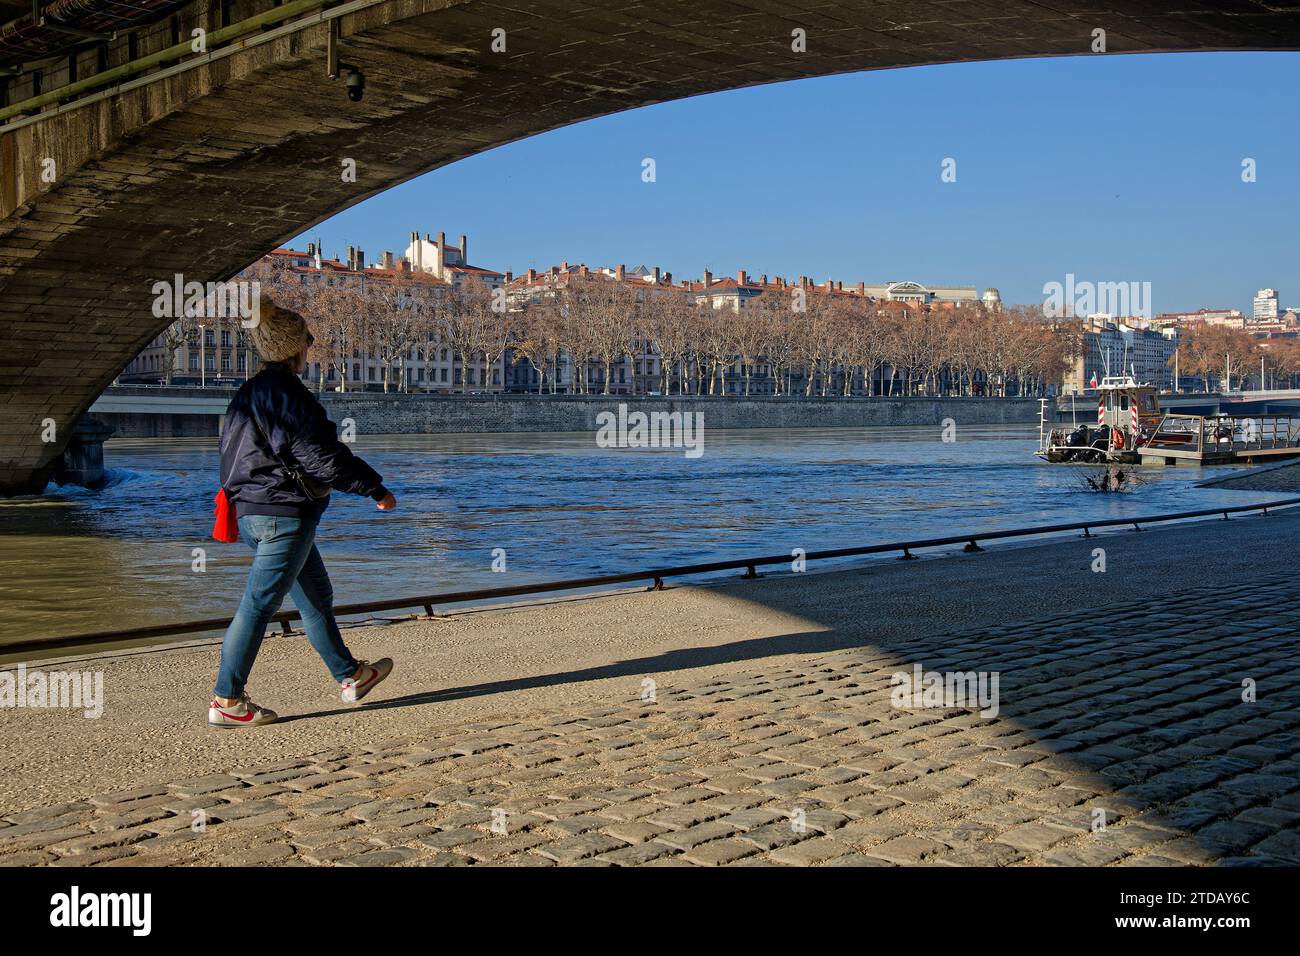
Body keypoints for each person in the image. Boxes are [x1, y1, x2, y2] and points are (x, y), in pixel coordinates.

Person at [208, 294, 397, 728]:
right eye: (307, 344)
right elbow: (322, 457)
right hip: (283, 515)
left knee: (316, 599)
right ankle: (227, 699)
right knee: (258, 606)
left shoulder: (248, 392)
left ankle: (352, 675)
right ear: (296, 348)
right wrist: (375, 489)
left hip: (254, 512)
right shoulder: (290, 395)